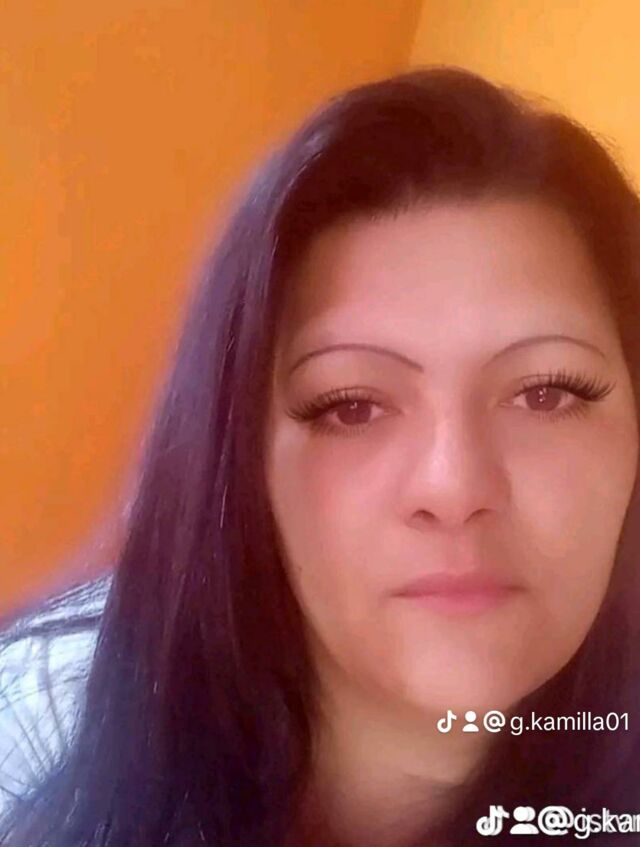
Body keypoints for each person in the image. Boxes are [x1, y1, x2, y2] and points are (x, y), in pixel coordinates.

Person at [2, 64, 640, 847]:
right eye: (351, 405)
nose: (454, 485)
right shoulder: (41, 718)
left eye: (546, 392)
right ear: (242, 459)